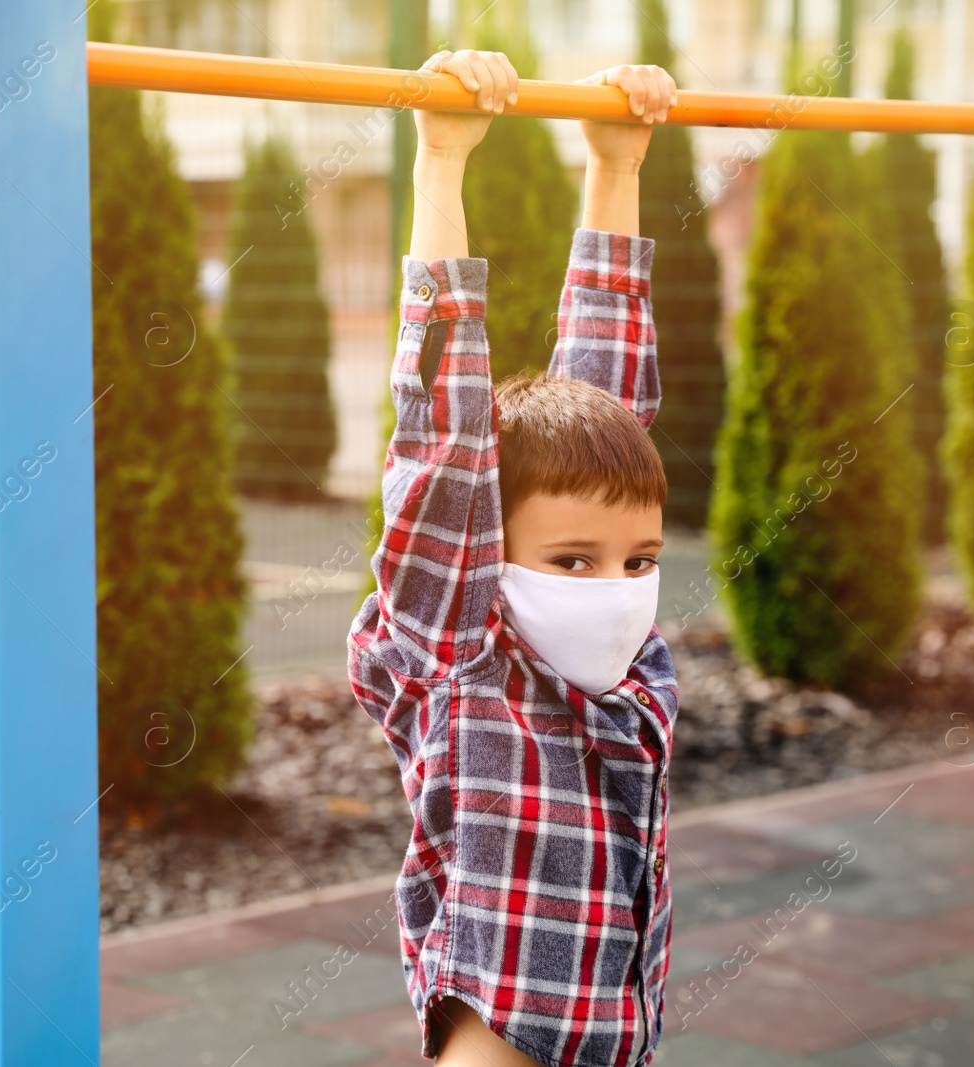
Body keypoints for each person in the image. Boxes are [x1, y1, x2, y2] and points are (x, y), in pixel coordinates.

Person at [347, 47, 680, 1067]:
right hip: (505, 1035)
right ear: (491, 556)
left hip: (616, 1027)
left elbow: (608, 416)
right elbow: (442, 446)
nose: (616, 589)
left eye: (638, 561)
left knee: (598, 452)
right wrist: (440, 163)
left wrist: (616, 167)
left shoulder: (627, 667)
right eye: (574, 561)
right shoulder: (465, 658)